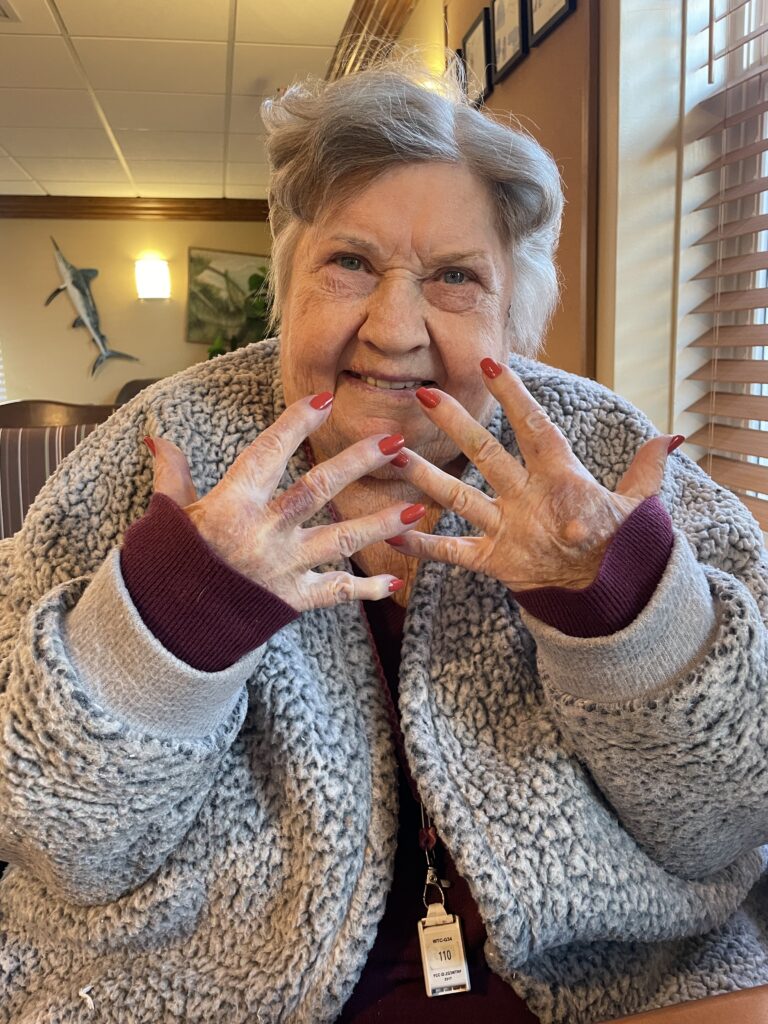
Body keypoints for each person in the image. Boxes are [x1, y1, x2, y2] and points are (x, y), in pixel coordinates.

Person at [1, 58, 768, 1024]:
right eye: (350, 263)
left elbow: (724, 826)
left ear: (513, 318)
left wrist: (621, 614)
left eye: (454, 278)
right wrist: (168, 624)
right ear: (290, 283)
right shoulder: (161, 450)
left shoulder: (603, 460)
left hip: (617, 985)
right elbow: (61, 844)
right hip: (194, 986)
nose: (395, 328)